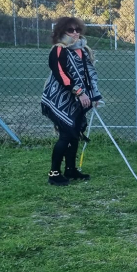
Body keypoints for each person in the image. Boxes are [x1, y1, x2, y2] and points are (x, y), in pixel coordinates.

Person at [41, 17, 103, 186]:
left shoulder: (83, 50)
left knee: (74, 135)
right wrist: (79, 92)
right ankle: (54, 174)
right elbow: (61, 75)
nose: (75, 33)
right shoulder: (58, 50)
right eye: (70, 30)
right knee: (66, 135)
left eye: (77, 30)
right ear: (62, 32)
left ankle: (70, 169)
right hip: (60, 99)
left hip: (78, 101)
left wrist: (94, 96)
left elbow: (89, 75)